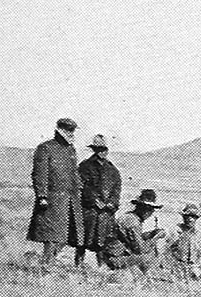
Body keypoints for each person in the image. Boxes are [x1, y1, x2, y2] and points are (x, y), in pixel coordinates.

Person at [27, 117, 83, 264]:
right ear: (60, 130)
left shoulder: (71, 149)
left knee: (68, 236)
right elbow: (40, 174)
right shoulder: (45, 148)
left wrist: (79, 188)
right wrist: (42, 196)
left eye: (73, 130)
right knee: (51, 235)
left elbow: (74, 173)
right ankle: (46, 265)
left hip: (70, 199)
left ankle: (46, 262)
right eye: (69, 130)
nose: (71, 133)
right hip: (53, 199)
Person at [76, 134, 121, 267]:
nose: (101, 152)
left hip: (106, 212)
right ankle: (78, 265)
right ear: (94, 150)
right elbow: (81, 186)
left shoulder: (113, 170)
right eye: (98, 149)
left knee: (102, 242)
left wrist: (111, 203)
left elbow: (116, 189)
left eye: (103, 149)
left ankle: (101, 267)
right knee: (82, 240)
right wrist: (95, 200)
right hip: (89, 210)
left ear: (107, 150)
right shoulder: (85, 166)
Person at [101, 188, 166, 278]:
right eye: (147, 209)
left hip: (112, 255)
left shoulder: (130, 217)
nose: (150, 212)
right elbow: (140, 249)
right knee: (149, 258)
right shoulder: (133, 222)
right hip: (114, 259)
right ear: (140, 207)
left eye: (151, 209)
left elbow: (133, 238)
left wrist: (151, 234)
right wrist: (156, 237)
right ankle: (143, 279)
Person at [166, 203, 201, 281]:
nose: (190, 219)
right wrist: (179, 261)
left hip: (194, 267)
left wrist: (198, 265)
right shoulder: (176, 231)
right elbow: (170, 250)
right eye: (187, 216)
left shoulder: (199, 235)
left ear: (196, 219)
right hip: (178, 267)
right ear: (183, 218)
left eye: (193, 217)